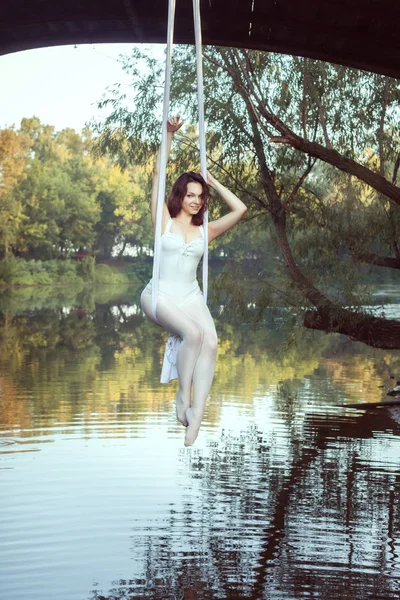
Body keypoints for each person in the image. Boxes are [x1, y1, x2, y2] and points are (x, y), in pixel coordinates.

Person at [140, 116, 247, 446]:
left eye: (200, 196)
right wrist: (168, 136)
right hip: (158, 295)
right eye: (190, 195)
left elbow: (240, 209)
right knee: (194, 333)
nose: (196, 200)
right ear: (180, 196)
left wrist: (215, 184)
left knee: (211, 343)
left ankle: (196, 416)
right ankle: (181, 396)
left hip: (189, 295)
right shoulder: (164, 221)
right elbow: (158, 175)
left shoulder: (206, 231)